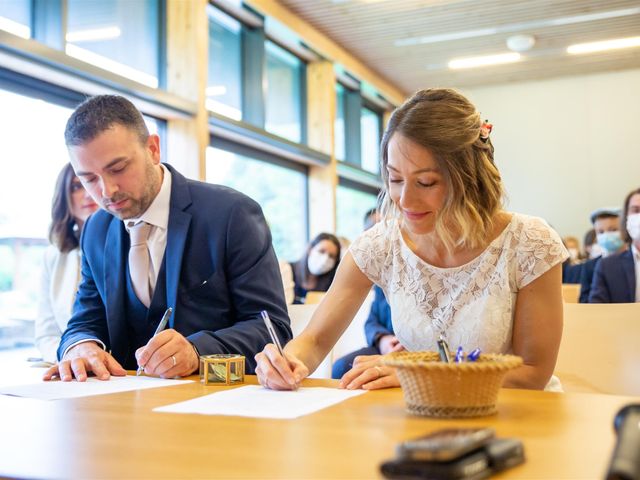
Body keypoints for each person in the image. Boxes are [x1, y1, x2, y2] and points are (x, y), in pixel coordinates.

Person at [255, 88, 567, 392]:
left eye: (426, 182)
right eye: (395, 179)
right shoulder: (379, 245)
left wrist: (418, 372)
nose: (405, 199)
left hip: (517, 414)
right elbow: (316, 340)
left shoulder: (529, 243)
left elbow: (532, 374)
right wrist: (289, 361)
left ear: (470, 179)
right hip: (420, 412)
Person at [43, 95, 291, 382]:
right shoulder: (96, 230)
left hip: (217, 404)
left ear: (153, 149)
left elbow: (273, 329)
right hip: (120, 409)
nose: (107, 191)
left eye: (118, 169)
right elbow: (86, 319)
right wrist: (80, 346)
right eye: (89, 178)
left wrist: (198, 352)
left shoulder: (231, 214)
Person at [35, 163, 99, 363]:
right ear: (64, 197)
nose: (88, 193)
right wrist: (72, 356)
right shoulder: (53, 256)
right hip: (74, 369)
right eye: (76, 187)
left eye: (92, 182)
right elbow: (46, 333)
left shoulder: (130, 243)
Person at [331, 208, 401, 379]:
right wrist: (382, 339)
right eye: (374, 227)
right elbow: (372, 320)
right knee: (342, 367)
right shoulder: (380, 273)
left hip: (418, 351)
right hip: (384, 346)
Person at [589, 188, 640, 303]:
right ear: (626, 218)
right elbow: (597, 310)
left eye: (612, 229)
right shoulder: (607, 266)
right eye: (636, 210)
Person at [578, 208, 625, 303]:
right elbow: (584, 302)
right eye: (601, 232)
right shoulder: (589, 267)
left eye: (613, 230)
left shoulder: (635, 262)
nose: (606, 235)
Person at [290, 233, 341, 304]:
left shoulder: (332, 285)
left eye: (331, 256)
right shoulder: (287, 270)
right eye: (321, 251)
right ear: (310, 249)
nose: (325, 259)